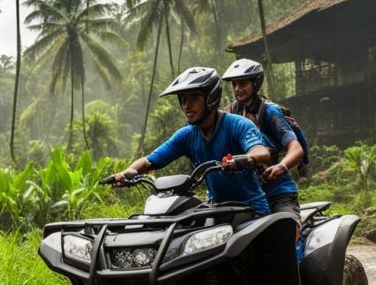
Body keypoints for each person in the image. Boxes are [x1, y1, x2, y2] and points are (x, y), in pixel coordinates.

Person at [112, 67, 273, 216]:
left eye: (194, 97)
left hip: (252, 211)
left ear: (211, 97)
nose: (187, 105)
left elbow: (261, 152)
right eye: (182, 99)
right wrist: (127, 173)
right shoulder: (186, 135)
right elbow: (149, 161)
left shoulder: (238, 125)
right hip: (217, 211)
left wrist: (244, 159)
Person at [221, 58, 303, 219]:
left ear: (255, 84)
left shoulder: (270, 112)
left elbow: (296, 148)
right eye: (234, 84)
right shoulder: (228, 113)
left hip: (278, 190)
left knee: (286, 229)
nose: (237, 89)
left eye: (242, 84)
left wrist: (282, 167)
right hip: (247, 193)